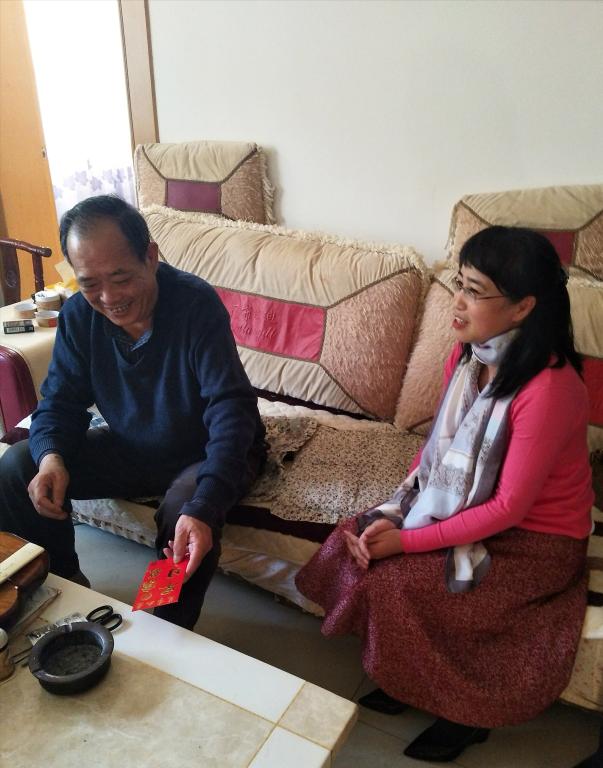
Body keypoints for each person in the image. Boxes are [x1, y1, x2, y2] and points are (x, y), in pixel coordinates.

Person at [296, 226, 594, 762]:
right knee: (356, 537)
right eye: (459, 283)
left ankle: (465, 715)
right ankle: (408, 677)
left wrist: (408, 542)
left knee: (404, 582)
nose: (456, 301)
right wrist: (397, 509)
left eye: (474, 291)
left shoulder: (550, 389)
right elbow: (436, 449)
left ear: (524, 306)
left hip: (535, 542)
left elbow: (508, 508)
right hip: (466, 509)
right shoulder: (469, 358)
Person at [0, 195, 266, 630]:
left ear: (151, 256)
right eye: (89, 283)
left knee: (184, 509)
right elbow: (61, 402)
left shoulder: (195, 304)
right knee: (18, 465)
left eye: (121, 278)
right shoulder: (79, 315)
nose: (109, 298)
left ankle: (165, 627)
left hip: (208, 449)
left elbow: (230, 409)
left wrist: (205, 503)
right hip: (135, 446)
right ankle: (61, 590)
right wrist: (51, 457)